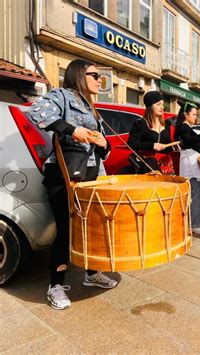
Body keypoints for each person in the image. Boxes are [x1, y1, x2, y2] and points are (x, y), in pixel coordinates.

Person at [30, 59, 118, 310]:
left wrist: (104, 144)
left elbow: (104, 152)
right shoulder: (63, 96)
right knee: (66, 229)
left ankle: (91, 274)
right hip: (65, 176)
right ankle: (55, 285)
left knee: (90, 227)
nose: (99, 80)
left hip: (91, 176)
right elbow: (37, 112)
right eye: (95, 75)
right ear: (80, 75)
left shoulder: (93, 109)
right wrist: (70, 129)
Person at [175, 102, 200, 234]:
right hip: (189, 165)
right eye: (194, 114)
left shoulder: (187, 127)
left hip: (191, 162)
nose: (196, 117)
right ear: (186, 114)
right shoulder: (182, 128)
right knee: (196, 194)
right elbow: (190, 143)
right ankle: (195, 224)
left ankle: (196, 222)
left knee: (197, 194)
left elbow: (196, 144)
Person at [126, 91, 175, 175]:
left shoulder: (166, 124)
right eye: (158, 104)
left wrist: (173, 146)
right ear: (150, 106)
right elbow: (131, 144)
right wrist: (152, 145)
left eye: (162, 105)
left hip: (166, 166)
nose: (162, 107)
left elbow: (166, 146)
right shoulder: (141, 123)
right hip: (148, 165)